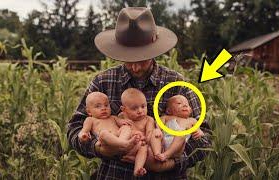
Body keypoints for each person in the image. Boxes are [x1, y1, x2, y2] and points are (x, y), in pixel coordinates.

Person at [67, 7, 211, 179]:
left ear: (154, 50)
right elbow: (74, 129)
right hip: (115, 175)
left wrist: (169, 163)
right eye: (128, 60)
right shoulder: (102, 82)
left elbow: (205, 138)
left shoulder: (176, 83)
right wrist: (99, 147)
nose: (135, 67)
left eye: (141, 59)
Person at [78, 91, 140, 157]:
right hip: (107, 144)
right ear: (89, 111)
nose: (103, 108)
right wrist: (83, 136)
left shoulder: (113, 117)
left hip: (119, 138)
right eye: (98, 106)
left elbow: (121, 122)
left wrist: (125, 122)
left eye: (106, 105)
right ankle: (124, 144)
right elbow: (84, 130)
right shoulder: (91, 120)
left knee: (126, 127)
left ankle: (122, 143)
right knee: (103, 133)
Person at [151, 95, 205, 162]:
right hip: (162, 144)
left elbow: (199, 131)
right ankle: (157, 153)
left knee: (181, 133)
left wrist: (199, 133)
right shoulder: (166, 117)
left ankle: (166, 155)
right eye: (179, 103)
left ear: (191, 110)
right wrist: (158, 130)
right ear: (169, 110)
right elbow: (157, 124)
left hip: (178, 148)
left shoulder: (192, 121)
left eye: (187, 104)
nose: (184, 105)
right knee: (155, 132)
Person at [119, 88, 155, 176]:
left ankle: (138, 168)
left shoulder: (148, 119)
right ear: (123, 109)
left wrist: (145, 138)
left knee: (144, 148)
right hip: (126, 146)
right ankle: (130, 157)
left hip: (141, 146)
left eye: (143, 106)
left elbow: (150, 132)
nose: (140, 111)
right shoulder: (121, 117)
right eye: (134, 108)